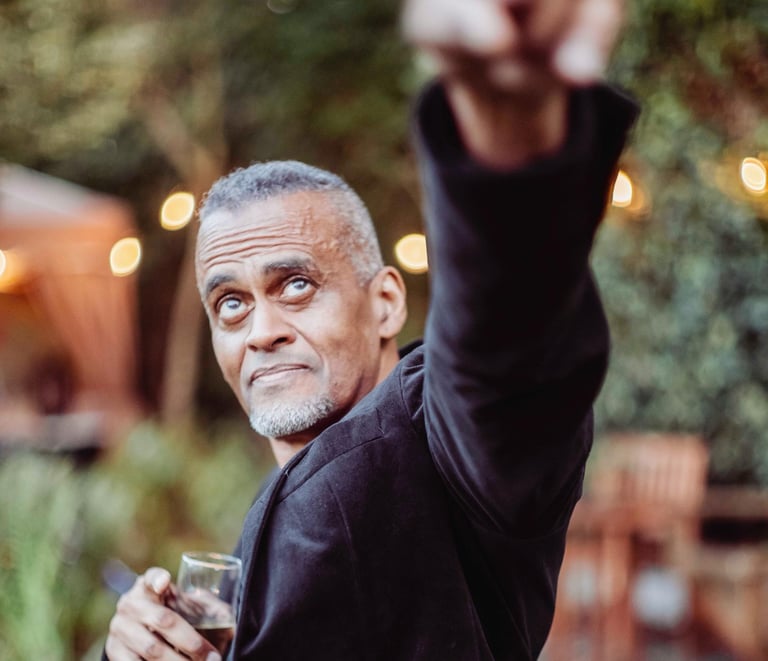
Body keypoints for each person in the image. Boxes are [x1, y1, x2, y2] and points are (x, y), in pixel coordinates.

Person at [105, 0, 636, 658]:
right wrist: (139, 647)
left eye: (295, 285)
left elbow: (506, 344)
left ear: (385, 301)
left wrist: (507, 136)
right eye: (231, 304)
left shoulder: (447, 447)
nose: (261, 330)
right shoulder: (275, 512)